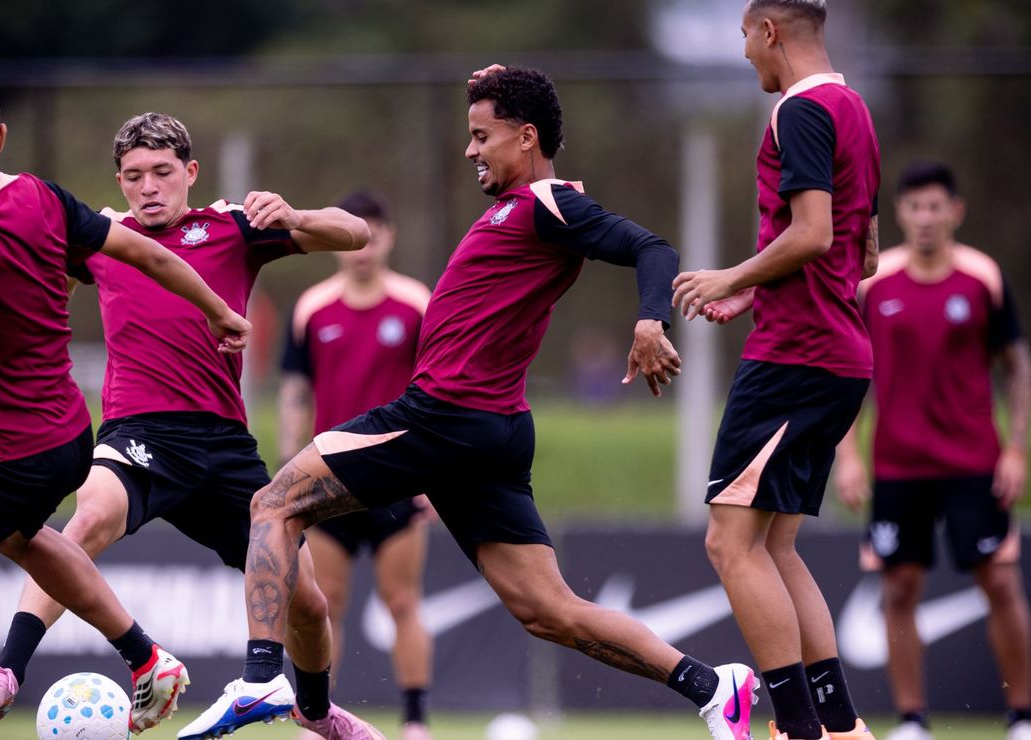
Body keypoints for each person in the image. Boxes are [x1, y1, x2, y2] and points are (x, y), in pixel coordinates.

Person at [193, 65, 762, 740]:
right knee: (548, 610)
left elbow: (652, 248)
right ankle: (711, 685)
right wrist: (507, 77)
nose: (470, 150)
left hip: (441, 417)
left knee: (272, 504)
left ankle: (261, 680)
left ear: (526, 138)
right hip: (486, 429)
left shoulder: (552, 203)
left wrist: (648, 321)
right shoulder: (520, 205)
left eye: (481, 136)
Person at [0, 111, 383, 740]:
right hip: (140, 432)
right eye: (133, 176)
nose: (148, 187)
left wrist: (292, 216)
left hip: (226, 445)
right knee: (87, 519)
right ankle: (8, 669)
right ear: (119, 182)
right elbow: (34, 290)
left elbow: (356, 233)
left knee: (306, 602)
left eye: (161, 172)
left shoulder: (232, 227)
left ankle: (316, 713)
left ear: (190, 173)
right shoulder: (103, 239)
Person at [0, 70, 252, 737]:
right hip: (71, 435)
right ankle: (146, 658)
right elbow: (148, 256)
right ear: (0, 136)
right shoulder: (41, 196)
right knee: (21, 534)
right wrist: (218, 310)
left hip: (3, 461)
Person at [671, 1, 880, 738]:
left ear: (770, 32)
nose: (746, 57)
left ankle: (797, 728)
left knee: (729, 542)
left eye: (744, 40)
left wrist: (732, 278)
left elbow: (815, 233)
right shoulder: (854, 108)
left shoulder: (798, 111)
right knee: (773, 544)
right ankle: (841, 726)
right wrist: (764, 290)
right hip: (835, 353)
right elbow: (867, 255)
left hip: (797, 358)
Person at [834, 163, 1031, 740]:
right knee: (899, 588)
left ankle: (1023, 719)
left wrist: (1018, 449)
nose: (925, 217)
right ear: (900, 213)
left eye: (936, 207)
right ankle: (911, 722)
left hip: (976, 461)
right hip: (899, 465)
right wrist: (848, 455)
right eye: (915, 207)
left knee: (1000, 581)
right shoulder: (875, 284)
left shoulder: (982, 278)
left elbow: (1019, 366)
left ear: (956, 211)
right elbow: (850, 372)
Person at [279, 190, 435, 740]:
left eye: (373, 233)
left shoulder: (417, 303)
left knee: (402, 601)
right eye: (354, 236)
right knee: (325, 606)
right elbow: (296, 392)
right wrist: (288, 469)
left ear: (388, 236)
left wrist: (435, 476)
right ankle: (318, 720)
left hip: (400, 479)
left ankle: (415, 721)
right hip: (328, 480)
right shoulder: (312, 308)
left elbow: (441, 391)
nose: (362, 249)